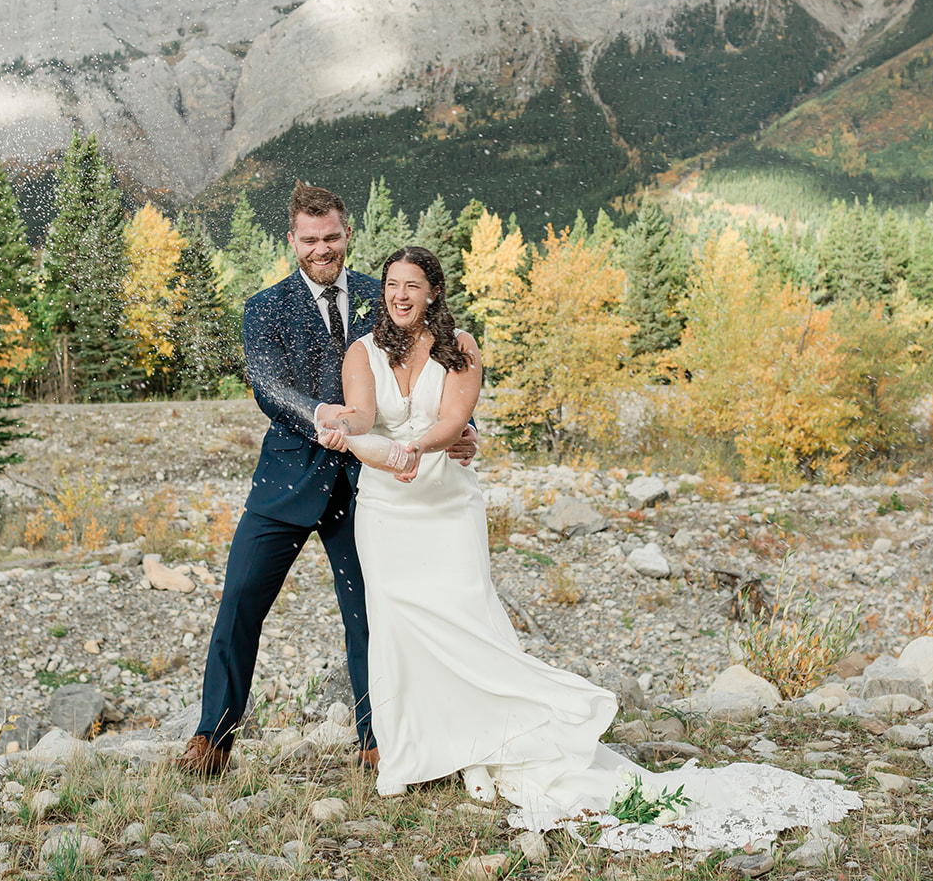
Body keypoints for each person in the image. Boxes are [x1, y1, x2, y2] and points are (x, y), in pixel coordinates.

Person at [317, 245, 861, 853]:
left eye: (412, 285)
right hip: (387, 510)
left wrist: (418, 449)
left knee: (466, 613)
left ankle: (497, 735)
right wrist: (345, 425)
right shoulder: (361, 352)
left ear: (434, 292)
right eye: (392, 284)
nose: (399, 295)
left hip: (445, 504)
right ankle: (417, 748)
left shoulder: (460, 346)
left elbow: (453, 419)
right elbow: (364, 415)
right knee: (398, 624)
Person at [175, 183, 474, 777]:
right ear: (292, 241)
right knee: (238, 604)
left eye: (331, 237)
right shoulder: (264, 307)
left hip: (369, 488)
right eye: (309, 240)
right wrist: (318, 413)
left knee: (370, 615)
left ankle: (377, 739)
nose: (321, 249)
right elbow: (267, 385)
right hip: (286, 481)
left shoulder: (380, 293)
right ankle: (212, 738)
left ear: (346, 234)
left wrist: (460, 426)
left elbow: (433, 363)